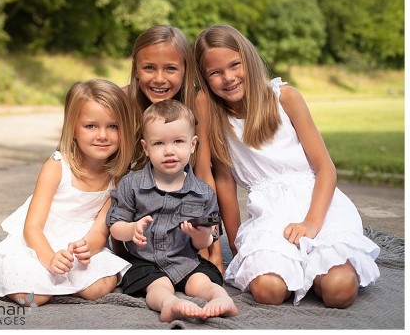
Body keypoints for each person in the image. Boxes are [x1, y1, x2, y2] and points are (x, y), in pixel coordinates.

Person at [193, 24, 380, 308]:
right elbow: (222, 181)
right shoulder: (209, 108)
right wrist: (234, 243)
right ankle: (293, 268)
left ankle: (316, 269)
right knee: (268, 291)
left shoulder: (284, 98)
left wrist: (312, 223)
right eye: (215, 72)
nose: (228, 77)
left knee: (339, 291)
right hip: (269, 216)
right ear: (205, 78)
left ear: (249, 60)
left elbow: (326, 169)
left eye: (234, 65)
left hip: (317, 207)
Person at [0, 78, 136, 306]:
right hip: (39, 242)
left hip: (77, 246)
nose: (102, 135)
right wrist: (49, 258)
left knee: (100, 287)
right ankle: (47, 281)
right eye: (91, 126)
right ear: (74, 129)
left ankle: (64, 282)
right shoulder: (57, 166)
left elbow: (101, 229)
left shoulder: (118, 177)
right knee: (34, 297)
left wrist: (86, 247)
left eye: (113, 126)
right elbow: (32, 227)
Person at [106, 100, 238, 322]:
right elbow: (115, 226)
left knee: (202, 281)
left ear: (193, 144)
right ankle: (169, 304)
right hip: (145, 261)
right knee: (158, 285)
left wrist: (201, 237)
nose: (169, 151)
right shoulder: (132, 184)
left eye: (178, 141)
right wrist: (131, 230)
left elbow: (206, 240)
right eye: (158, 143)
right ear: (146, 148)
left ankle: (222, 299)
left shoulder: (203, 192)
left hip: (184, 259)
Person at [116, 24, 224, 273]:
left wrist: (215, 252)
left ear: (185, 69)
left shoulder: (198, 101)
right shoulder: (125, 99)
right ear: (136, 68)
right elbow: (115, 173)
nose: (159, 78)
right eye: (149, 68)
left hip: (181, 213)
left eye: (171, 68)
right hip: (136, 206)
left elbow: (204, 172)